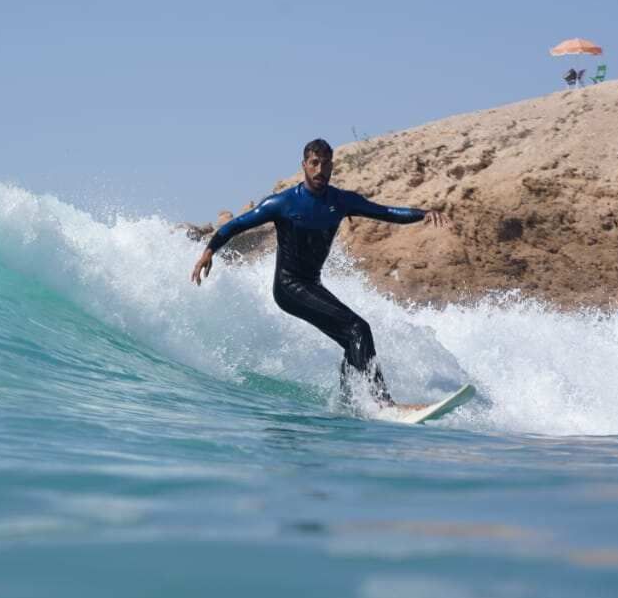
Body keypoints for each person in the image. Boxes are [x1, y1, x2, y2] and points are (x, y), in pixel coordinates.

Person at [189, 138, 448, 410]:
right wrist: (209, 250)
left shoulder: (341, 200)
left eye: (325, 164)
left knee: (352, 340)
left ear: (332, 166)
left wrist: (422, 213)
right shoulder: (283, 203)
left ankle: (348, 402)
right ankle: (384, 404)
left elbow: (384, 212)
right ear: (304, 165)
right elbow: (237, 224)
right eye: (314, 163)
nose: (320, 170)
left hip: (312, 284)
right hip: (288, 287)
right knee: (359, 328)